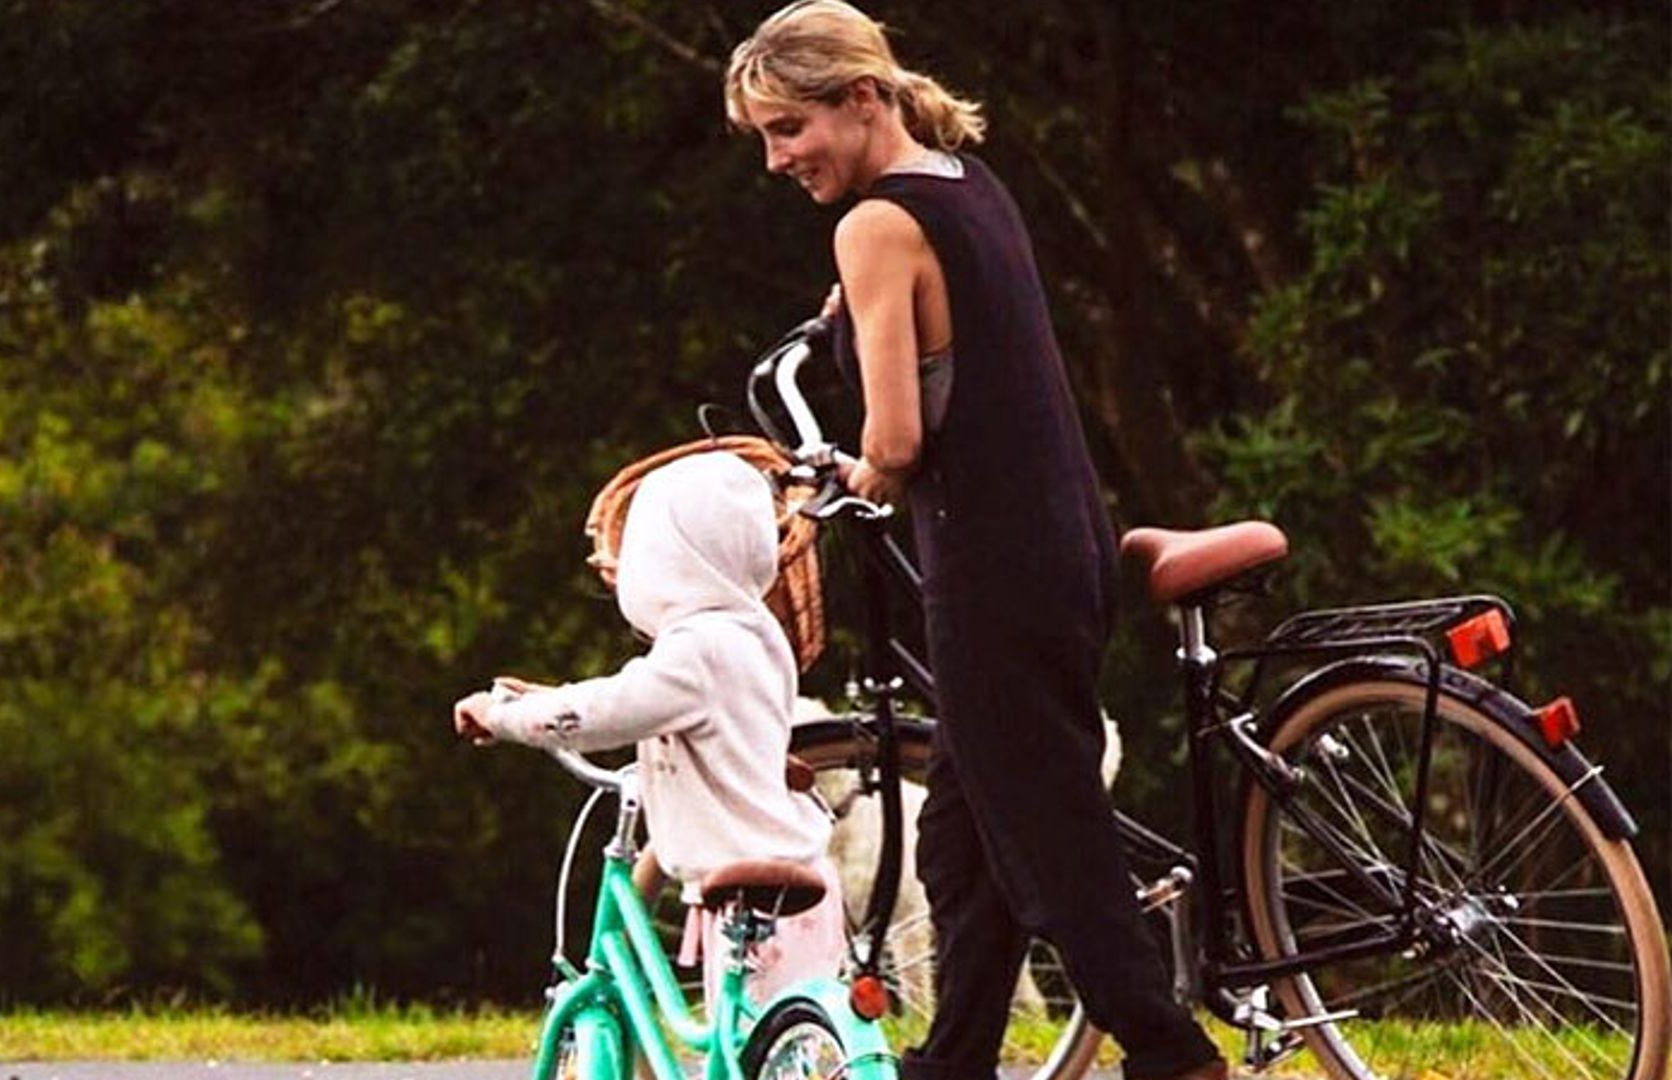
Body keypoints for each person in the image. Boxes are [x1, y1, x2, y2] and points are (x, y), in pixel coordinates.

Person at [723, 5, 1227, 1080]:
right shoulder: (966, 186)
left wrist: (853, 475)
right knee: (962, 841)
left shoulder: (872, 226)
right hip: (1065, 546)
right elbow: (969, 339)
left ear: (861, 98)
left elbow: (898, 439)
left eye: (788, 127)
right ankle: (953, 1060)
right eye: (764, 136)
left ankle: (1170, 1050)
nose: (775, 158)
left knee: (1051, 831)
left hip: (992, 565)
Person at [452, 451, 844, 1005]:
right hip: (800, 879)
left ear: (665, 563)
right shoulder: (755, 635)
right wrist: (551, 695)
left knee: (750, 1053)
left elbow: (607, 711)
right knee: (786, 1047)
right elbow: (663, 701)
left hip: (748, 892)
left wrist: (503, 718)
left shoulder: (695, 650)